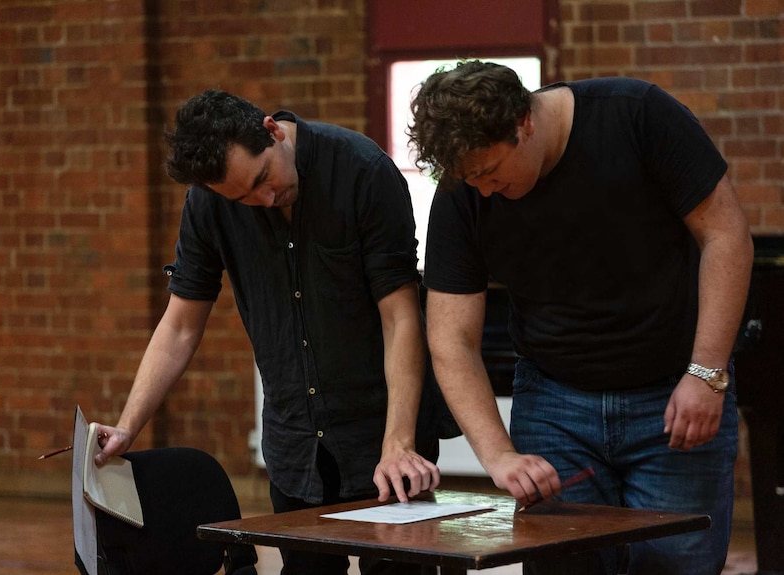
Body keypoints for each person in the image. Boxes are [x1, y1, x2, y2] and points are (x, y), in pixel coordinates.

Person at [407, 60, 753, 575]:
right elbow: (450, 340)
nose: (482, 190)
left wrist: (706, 372)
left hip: (675, 395)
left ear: (523, 122)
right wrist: (499, 456)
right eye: (469, 179)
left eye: (489, 173)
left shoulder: (637, 116)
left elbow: (726, 235)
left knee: (675, 566)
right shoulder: (463, 195)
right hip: (554, 406)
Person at [94, 89, 443, 575]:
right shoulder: (208, 203)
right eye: (244, 197)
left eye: (263, 178)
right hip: (296, 444)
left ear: (272, 131)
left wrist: (399, 443)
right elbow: (179, 325)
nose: (265, 197)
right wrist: (128, 426)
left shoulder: (361, 170)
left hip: (385, 434)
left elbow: (402, 316)